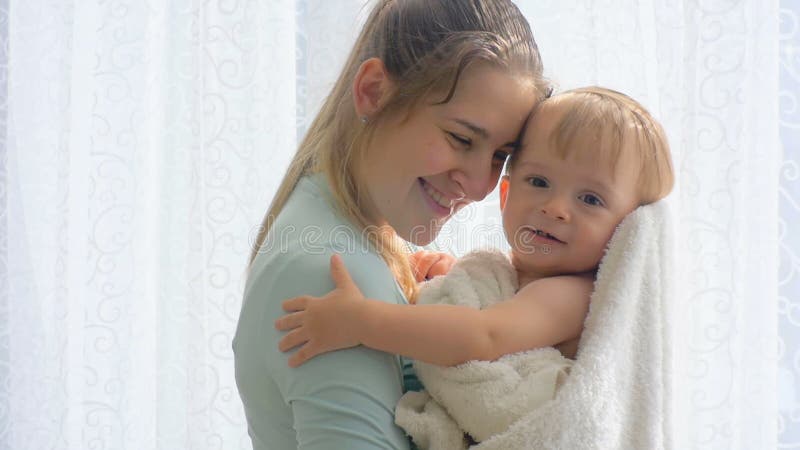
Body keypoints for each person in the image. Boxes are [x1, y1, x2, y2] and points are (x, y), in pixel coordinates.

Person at [232, 0, 549, 448]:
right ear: (374, 91)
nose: (480, 186)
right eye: (461, 138)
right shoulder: (335, 281)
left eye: (501, 156)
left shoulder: (344, 230)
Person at [273, 87, 675, 373]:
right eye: (538, 182)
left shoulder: (571, 295)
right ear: (505, 193)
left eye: (589, 200)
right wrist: (454, 280)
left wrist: (362, 321)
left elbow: (485, 337)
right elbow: (496, 307)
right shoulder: (510, 273)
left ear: (627, 229)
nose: (555, 208)